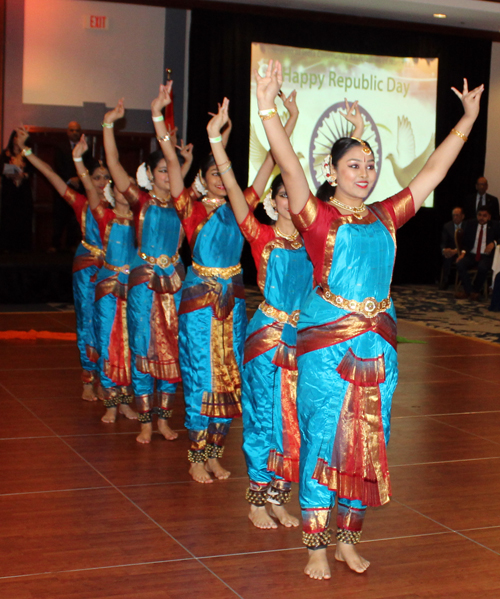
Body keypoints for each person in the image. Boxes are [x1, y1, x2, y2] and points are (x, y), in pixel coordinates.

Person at [255, 60, 483, 579]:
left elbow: (433, 172)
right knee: (321, 441)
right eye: (353, 165)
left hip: (378, 348)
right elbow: (289, 167)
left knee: (365, 442)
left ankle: (346, 539)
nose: (364, 173)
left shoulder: (387, 214)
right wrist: (267, 106)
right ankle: (315, 545)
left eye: (369, 165)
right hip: (327, 349)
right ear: (333, 172)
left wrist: (466, 120)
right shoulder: (317, 217)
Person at [153, 81, 283, 483]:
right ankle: (195, 455)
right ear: (203, 178)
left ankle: (213, 451)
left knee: (229, 377)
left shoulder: (240, 206)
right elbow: (174, 165)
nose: (217, 177)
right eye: (211, 172)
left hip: (233, 301)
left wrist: (288, 125)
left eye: (220, 172)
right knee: (200, 376)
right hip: (198, 301)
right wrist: (159, 115)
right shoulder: (189, 209)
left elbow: (268, 169)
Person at [102, 98, 192, 443]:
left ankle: (164, 419)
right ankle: (144, 421)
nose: (168, 176)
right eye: (162, 171)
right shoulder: (140, 202)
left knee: (171, 349)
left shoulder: (186, 206)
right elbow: (112, 163)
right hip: (141, 284)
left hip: (175, 285)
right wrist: (109, 124)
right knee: (142, 346)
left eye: (172, 171)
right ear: (150, 175)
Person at [16, 127, 108, 401]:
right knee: (88, 321)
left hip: (115, 269)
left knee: (111, 324)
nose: (102, 182)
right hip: (87, 267)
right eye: (97, 177)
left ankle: (109, 377)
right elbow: (51, 175)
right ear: (88, 180)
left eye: (106, 177)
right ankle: (89, 380)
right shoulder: (81, 204)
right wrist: (27, 151)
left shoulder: (122, 207)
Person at [86, 174, 138, 423]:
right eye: (119, 187)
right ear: (110, 192)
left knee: (130, 347)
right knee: (108, 342)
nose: (125, 191)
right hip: (108, 288)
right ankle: (110, 402)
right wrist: (80, 164)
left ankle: (126, 401)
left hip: (134, 290)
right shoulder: (105, 217)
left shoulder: (141, 221)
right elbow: (89, 189)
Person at [51, 121, 87, 251]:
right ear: (67, 132)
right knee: (59, 218)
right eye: (72, 130)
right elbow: (57, 166)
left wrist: (79, 179)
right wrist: (69, 179)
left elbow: (88, 166)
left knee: (75, 219)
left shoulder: (85, 148)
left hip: (79, 188)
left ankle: (71, 244)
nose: (74, 133)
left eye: (77, 130)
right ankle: (55, 244)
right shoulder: (60, 146)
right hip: (63, 187)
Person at [455, 205, 500, 300]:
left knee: (482, 267)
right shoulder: (470, 224)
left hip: (486, 256)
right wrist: (463, 253)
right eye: (479, 215)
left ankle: (474, 291)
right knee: (460, 263)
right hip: (472, 254)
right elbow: (464, 242)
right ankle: (471, 292)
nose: (482, 218)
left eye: (484, 215)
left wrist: (494, 243)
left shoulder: (495, 225)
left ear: (489, 217)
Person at [0, 129, 33, 252]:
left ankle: (23, 247)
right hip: (9, 191)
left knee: (23, 217)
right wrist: (11, 172)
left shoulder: (27, 153)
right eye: (15, 137)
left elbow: (32, 169)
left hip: (23, 191)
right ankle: (7, 246)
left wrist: (23, 175)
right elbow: (1, 168)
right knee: (9, 217)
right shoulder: (6, 154)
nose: (17, 139)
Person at [440, 206, 465, 289]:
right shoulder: (447, 226)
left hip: (463, 251)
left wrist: (457, 250)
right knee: (447, 257)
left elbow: (468, 243)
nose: (455, 217)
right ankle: (445, 281)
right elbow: (443, 242)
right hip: (451, 252)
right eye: (453, 215)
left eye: (457, 215)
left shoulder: (467, 226)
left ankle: (463, 282)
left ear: (462, 216)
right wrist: (445, 250)